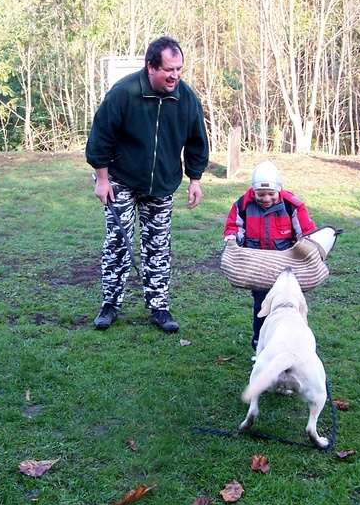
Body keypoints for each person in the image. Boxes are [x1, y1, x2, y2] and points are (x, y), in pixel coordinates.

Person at [86, 36, 209, 333]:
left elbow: (196, 141)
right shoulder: (124, 93)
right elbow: (100, 137)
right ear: (150, 67)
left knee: (158, 246)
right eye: (168, 69)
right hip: (121, 180)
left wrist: (195, 180)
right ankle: (110, 304)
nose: (175, 76)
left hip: (163, 184)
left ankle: (159, 307)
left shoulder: (186, 98)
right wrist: (102, 180)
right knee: (119, 242)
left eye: (179, 69)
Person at [223, 161, 317, 355]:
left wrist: (307, 248)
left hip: (287, 266)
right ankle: (260, 345)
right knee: (262, 306)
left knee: (291, 305)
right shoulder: (242, 204)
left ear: (279, 189)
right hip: (258, 267)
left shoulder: (292, 205)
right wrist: (233, 240)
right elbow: (234, 226)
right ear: (253, 191)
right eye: (261, 194)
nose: (266, 198)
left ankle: (293, 343)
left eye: (271, 194)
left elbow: (306, 232)